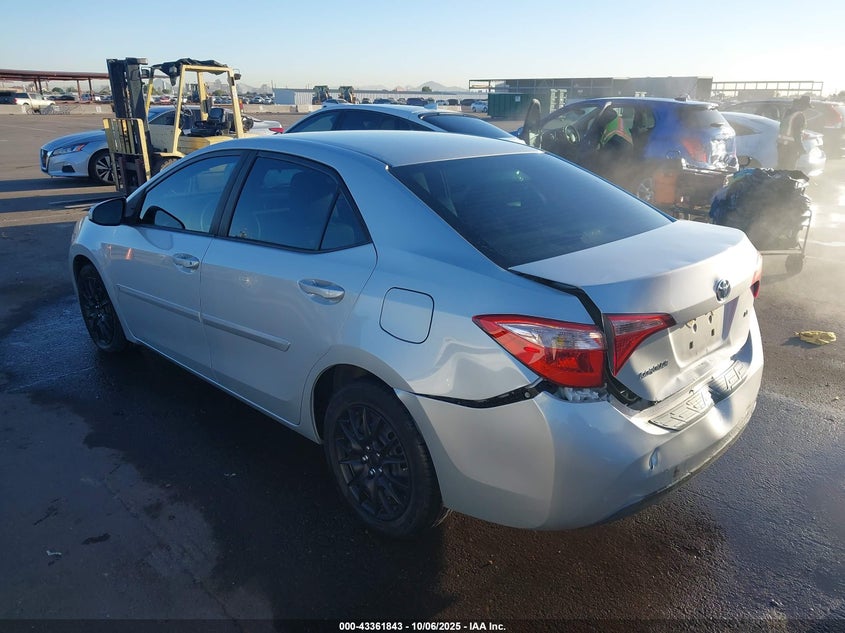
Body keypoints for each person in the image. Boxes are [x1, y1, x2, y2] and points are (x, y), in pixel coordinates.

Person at [777, 95, 811, 169]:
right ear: (802, 105)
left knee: (781, 167)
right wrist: (801, 149)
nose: (806, 109)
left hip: (781, 145)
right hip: (790, 147)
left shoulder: (788, 112)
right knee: (790, 169)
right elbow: (796, 134)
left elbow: (787, 128)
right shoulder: (799, 116)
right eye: (806, 106)